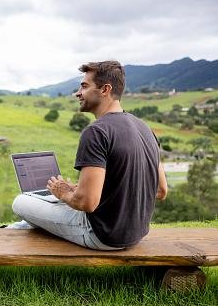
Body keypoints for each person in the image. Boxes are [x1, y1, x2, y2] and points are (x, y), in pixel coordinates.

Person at [9, 60, 168, 250]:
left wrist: (64, 193)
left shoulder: (97, 132)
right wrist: (79, 189)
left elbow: (87, 203)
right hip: (136, 234)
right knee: (55, 202)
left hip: (101, 235)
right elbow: (160, 190)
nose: (78, 92)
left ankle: (31, 223)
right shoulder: (145, 128)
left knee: (20, 202)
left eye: (84, 86)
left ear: (104, 89)